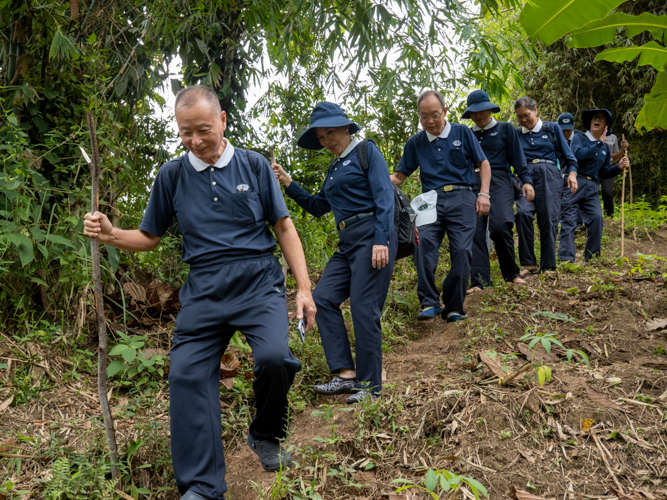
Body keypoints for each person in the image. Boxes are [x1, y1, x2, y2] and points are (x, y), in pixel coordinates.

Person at [83, 86, 317, 500]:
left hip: (258, 281)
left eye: (203, 129)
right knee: (187, 374)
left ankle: (265, 434)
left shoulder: (254, 165)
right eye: (185, 132)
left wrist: (303, 287)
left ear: (223, 120)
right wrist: (112, 234)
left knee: (274, 359)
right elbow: (150, 236)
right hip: (204, 288)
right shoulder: (172, 176)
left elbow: (283, 227)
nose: (195, 140)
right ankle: (203, 488)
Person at [272, 102, 396, 403]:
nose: (327, 141)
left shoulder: (367, 151)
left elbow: (385, 197)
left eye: (330, 133)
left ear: (345, 127)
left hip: (372, 235)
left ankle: (370, 387)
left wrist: (381, 239)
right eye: (321, 138)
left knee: (364, 307)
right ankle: (346, 375)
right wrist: (288, 183)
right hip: (347, 242)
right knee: (324, 298)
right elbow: (317, 207)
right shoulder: (335, 166)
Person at [391, 90, 490, 322]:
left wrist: (483, 193)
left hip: (463, 198)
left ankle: (454, 306)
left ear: (445, 111)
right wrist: (373, 181)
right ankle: (429, 301)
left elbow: (483, 163)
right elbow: (398, 176)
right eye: (424, 116)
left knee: (463, 251)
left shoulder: (462, 132)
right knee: (422, 244)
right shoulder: (415, 143)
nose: (430, 121)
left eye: (435, 114)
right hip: (430, 201)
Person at [462, 90, 535, 293]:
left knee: (501, 225)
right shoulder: (468, 133)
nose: (478, 115)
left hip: (500, 180)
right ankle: (479, 282)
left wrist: (526, 182)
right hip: (473, 184)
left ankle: (511, 274)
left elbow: (518, 159)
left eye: (481, 110)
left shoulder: (505, 129)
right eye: (473, 112)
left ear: (489, 109)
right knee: (475, 231)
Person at [514, 97, 578, 275]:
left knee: (549, 219)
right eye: (519, 117)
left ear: (535, 110)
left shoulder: (551, 128)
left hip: (550, 175)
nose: (524, 120)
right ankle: (528, 263)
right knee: (523, 213)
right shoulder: (516, 134)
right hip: (524, 176)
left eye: (526, 115)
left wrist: (572, 174)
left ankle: (548, 265)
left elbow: (569, 158)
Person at [558, 109, 630, 262]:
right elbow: (577, 156)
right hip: (574, 182)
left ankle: (592, 258)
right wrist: (598, 143)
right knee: (569, 220)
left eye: (601, 119)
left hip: (592, 187)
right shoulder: (579, 138)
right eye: (594, 118)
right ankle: (566, 259)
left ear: (606, 126)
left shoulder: (604, 148)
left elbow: (603, 172)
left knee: (597, 218)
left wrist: (618, 167)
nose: (597, 119)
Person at [600, 132, 629, 217]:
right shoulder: (589, 135)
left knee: (607, 192)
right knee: (590, 191)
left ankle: (609, 215)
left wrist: (622, 149)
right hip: (593, 166)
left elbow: (614, 159)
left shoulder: (613, 137)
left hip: (608, 167)